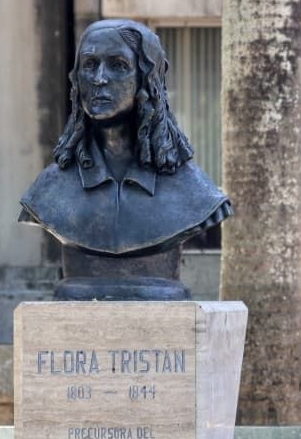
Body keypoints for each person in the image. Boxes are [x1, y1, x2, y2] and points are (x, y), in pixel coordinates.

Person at [19, 19, 230, 298]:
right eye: (90, 65)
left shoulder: (195, 193)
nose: (100, 79)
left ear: (147, 80)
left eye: (117, 65)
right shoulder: (47, 192)